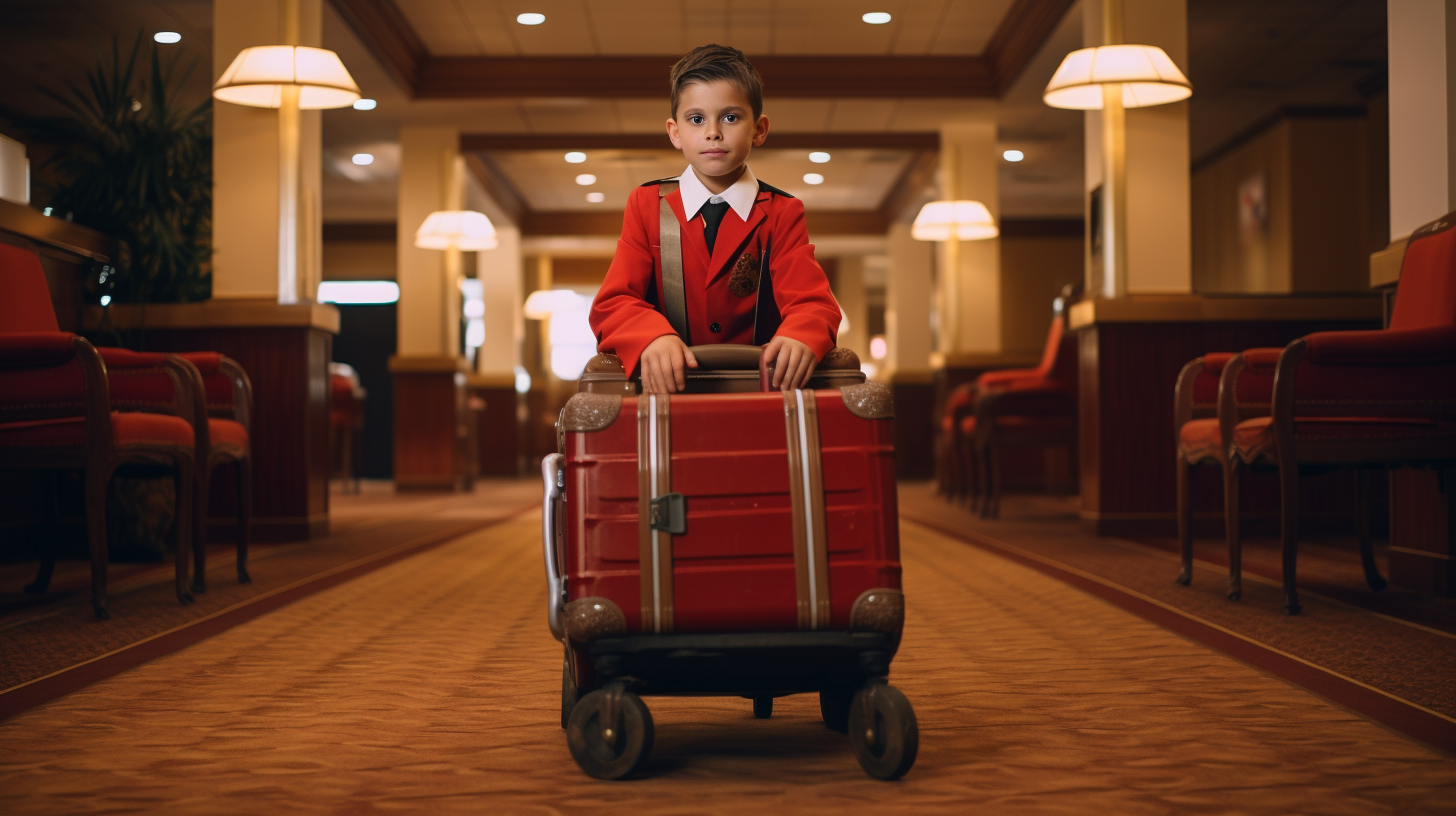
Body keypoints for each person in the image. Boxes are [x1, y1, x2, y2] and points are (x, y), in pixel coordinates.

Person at [589, 44, 843, 394]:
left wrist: (800, 335)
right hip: (668, 392)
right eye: (696, 119)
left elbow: (813, 304)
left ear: (759, 129)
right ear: (675, 132)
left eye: (730, 117)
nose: (713, 132)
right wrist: (651, 337)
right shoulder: (647, 204)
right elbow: (614, 302)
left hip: (759, 394)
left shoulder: (783, 211)